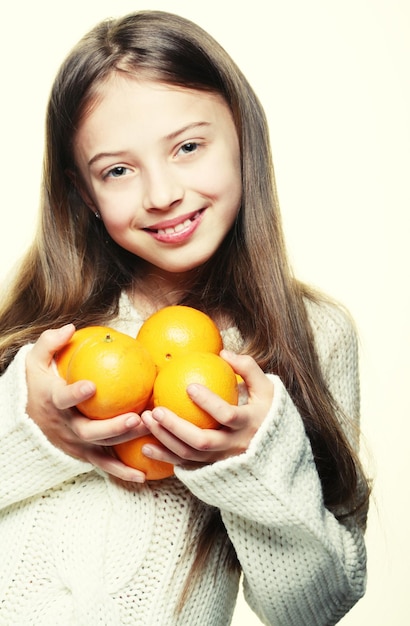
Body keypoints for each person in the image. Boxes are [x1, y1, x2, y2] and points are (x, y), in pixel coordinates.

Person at [0, 9, 370, 626]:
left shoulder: (313, 335)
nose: (161, 193)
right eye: (117, 170)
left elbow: (314, 607)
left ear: (244, 138)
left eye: (188, 147)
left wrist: (256, 459)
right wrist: (31, 428)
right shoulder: (41, 328)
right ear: (83, 194)